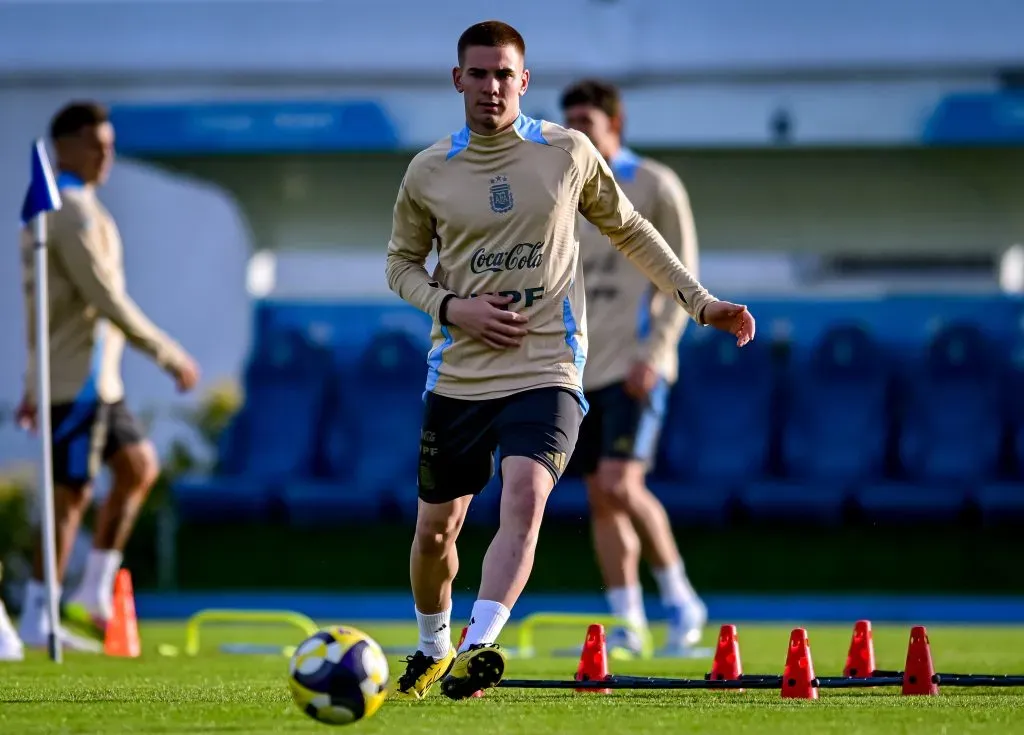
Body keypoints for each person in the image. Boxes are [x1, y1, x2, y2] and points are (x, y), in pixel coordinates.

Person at [385, 20, 755, 700]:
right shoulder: (428, 171)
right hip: (460, 372)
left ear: (524, 82)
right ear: (457, 79)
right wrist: (450, 308)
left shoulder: (567, 152)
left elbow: (633, 230)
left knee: (525, 498)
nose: (492, 86)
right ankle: (432, 643)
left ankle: (478, 647)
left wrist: (700, 304)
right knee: (438, 528)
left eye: (505, 74)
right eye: (479, 73)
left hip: (548, 366)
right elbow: (400, 266)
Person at [14, 101, 201, 652]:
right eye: (96, 145)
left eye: (111, 145)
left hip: (103, 383)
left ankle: (94, 591)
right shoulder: (67, 210)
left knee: (139, 468)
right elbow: (104, 298)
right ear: (64, 148)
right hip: (80, 381)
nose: (106, 156)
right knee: (69, 498)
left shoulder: (83, 207)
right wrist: (169, 354)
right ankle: (37, 614)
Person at [561, 79, 706, 658]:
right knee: (600, 496)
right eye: (569, 122)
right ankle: (628, 623)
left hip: (637, 366)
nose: (577, 132)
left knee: (623, 483)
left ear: (614, 127)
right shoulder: (563, 188)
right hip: (580, 371)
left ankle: (680, 598)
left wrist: (657, 352)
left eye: (587, 122)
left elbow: (682, 275)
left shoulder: (655, 185)